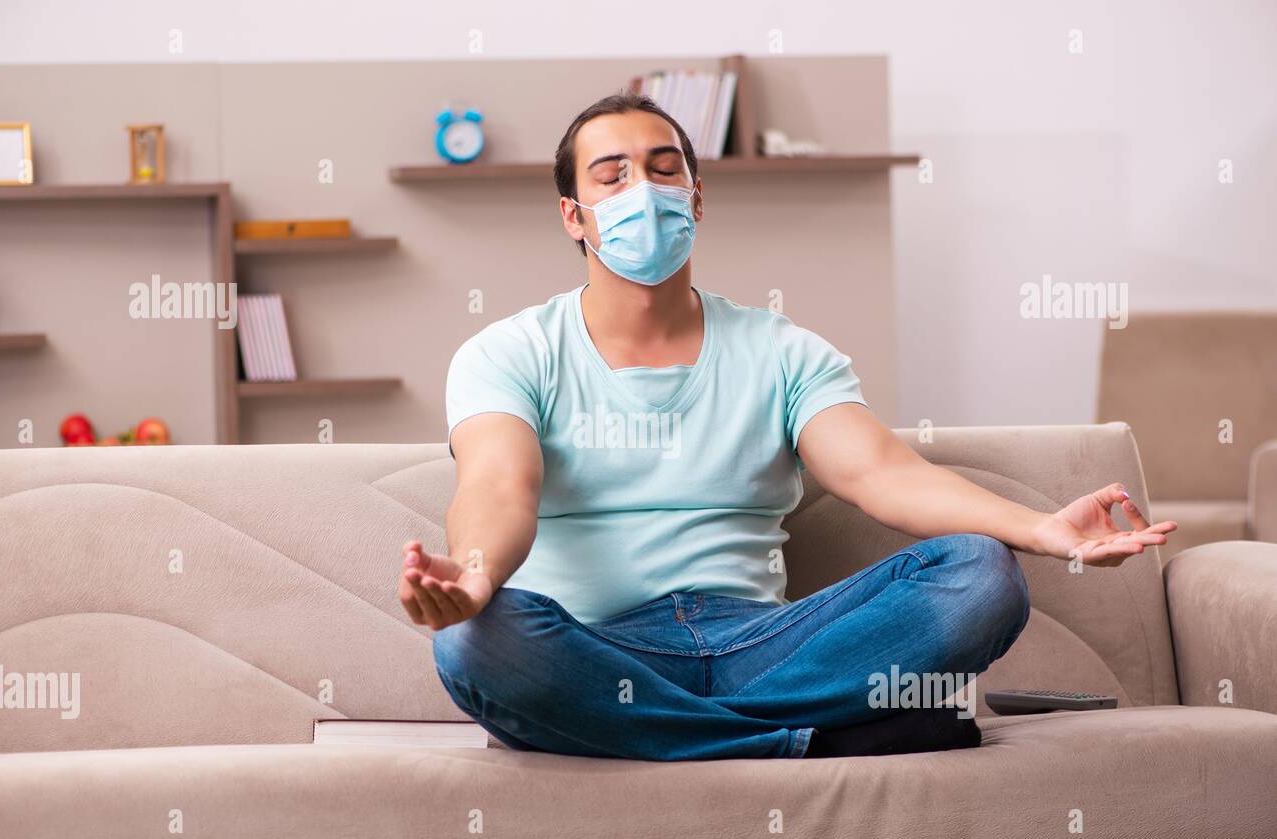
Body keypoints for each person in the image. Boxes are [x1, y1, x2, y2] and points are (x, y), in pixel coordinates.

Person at [398, 92, 1177, 760]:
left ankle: (660, 733)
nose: (645, 188)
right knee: (473, 638)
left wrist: (1045, 530)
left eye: (665, 168)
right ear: (574, 216)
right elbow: (500, 485)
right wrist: (475, 572)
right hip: (597, 648)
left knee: (980, 574)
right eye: (614, 175)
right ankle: (809, 741)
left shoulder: (780, 349)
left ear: (697, 198)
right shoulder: (508, 351)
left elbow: (881, 473)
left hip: (769, 649)